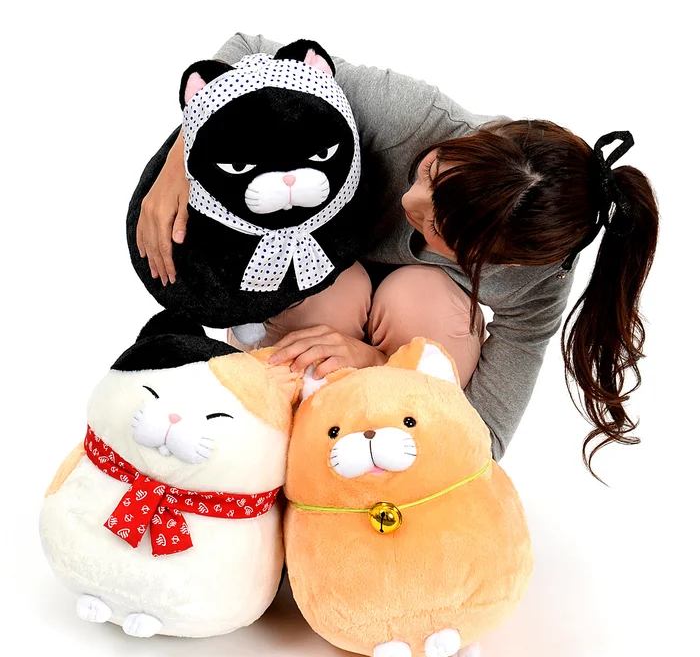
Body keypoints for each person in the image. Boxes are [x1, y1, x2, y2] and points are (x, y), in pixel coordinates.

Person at [136, 33, 658, 478]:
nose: (412, 201)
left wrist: (382, 367)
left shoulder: (536, 277)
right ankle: (270, 447)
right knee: (334, 291)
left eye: (436, 227)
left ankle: (362, 482)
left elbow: (485, 437)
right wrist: (181, 159)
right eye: (431, 172)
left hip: (402, 368)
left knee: (424, 300)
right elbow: (247, 49)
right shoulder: (412, 116)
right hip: (318, 283)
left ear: (504, 262)